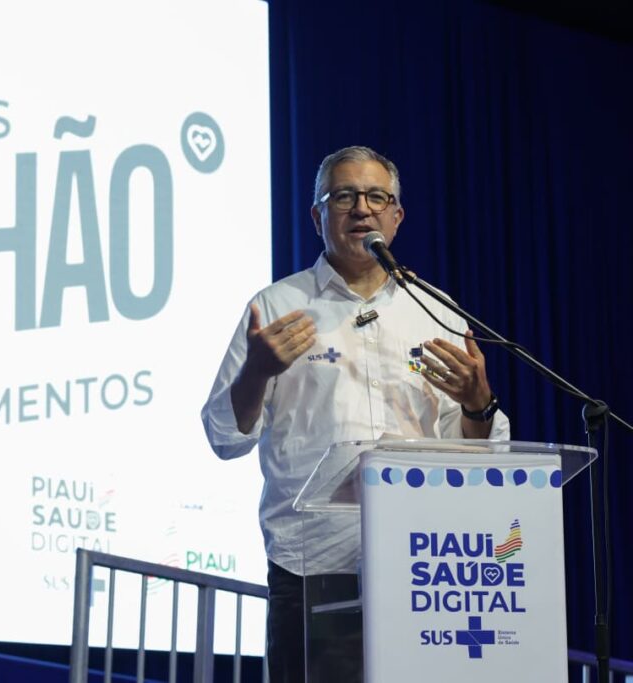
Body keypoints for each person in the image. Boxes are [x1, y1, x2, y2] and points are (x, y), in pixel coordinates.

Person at [201, 146, 510, 683]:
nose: (362, 208)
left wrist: (478, 405)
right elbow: (224, 436)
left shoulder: (434, 310)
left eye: (376, 197)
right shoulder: (275, 307)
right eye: (343, 196)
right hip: (314, 565)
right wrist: (256, 372)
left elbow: (480, 453)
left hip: (423, 566)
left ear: (397, 216)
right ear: (318, 216)